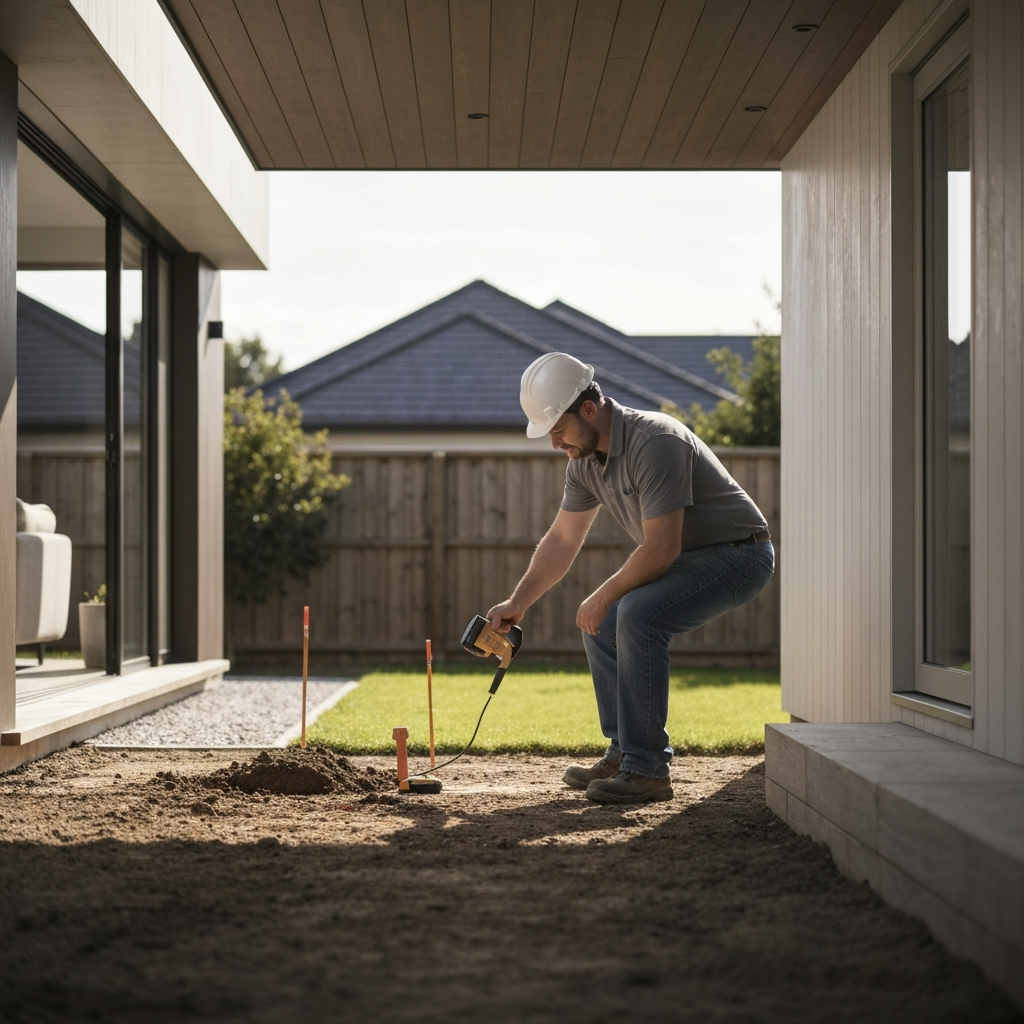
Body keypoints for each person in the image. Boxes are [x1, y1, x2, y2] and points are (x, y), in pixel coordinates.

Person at [487, 352, 774, 805]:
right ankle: (623, 754)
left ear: (588, 408)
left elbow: (662, 549)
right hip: (692, 559)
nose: (555, 443)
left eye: (558, 430)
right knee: (602, 621)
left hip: (740, 556)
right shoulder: (583, 462)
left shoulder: (655, 440)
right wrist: (517, 602)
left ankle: (647, 771)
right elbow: (563, 539)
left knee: (635, 614)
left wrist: (604, 594)